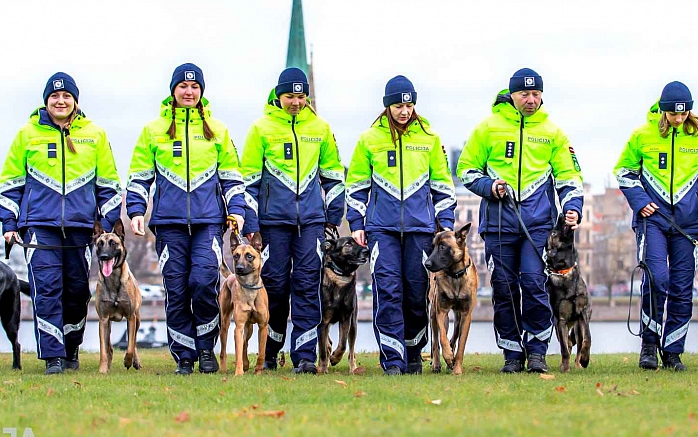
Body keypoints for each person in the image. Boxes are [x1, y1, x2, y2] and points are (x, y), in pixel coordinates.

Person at [457, 68, 583, 374]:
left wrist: (573, 208)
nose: (531, 99)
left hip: (538, 225)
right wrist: (491, 187)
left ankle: (537, 351)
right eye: (525, 94)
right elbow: (467, 170)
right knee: (503, 287)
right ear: (512, 95)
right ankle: (512, 353)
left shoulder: (553, 132)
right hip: (499, 224)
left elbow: (570, 176)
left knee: (534, 283)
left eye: (536, 94)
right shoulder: (487, 129)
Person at [0, 73, 122, 375]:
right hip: (40, 227)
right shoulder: (27, 134)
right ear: (46, 101)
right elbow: (10, 183)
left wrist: (105, 225)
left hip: (80, 230)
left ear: (75, 101)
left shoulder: (95, 134)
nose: (61, 100)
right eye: (54, 96)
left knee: (77, 293)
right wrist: (9, 223)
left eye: (67, 96)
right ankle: (53, 356)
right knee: (47, 289)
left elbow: (110, 185)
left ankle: (71, 348)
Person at [126, 63, 246, 375]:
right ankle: (184, 356)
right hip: (168, 223)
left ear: (201, 92)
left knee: (204, 282)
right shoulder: (153, 131)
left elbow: (232, 178)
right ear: (173, 91)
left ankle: (206, 349)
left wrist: (237, 212)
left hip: (208, 223)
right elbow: (139, 178)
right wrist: (136, 212)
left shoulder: (218, 130)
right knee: (176, 289)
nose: (189, 91)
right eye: (183, 87)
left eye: (194, 87)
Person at [345, 75, 456, 375]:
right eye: (398, 105)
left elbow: (443, 187)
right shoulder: (369, 139)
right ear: (387, 106)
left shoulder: (429, 139)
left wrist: (445, 226)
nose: (404, 111)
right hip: (383, 229)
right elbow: (355, 186)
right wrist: (357, 223)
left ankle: (412, 354)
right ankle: (393, 361)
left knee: (416, 294)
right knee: (389, 292)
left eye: (409, 104)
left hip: (421, 231)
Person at [240, 67, 345, 374]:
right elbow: (249, 182)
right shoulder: (261, 129)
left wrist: (332, 216)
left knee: (307, 285)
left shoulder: (321, 128)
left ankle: (305, 357)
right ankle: (269, 352)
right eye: (290, 96)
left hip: (311, 222)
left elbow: (334, 176)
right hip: (273, 223)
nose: (296, 102)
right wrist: (251, 225)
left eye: (301, 97)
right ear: (278, 95)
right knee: (274, 286)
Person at [614, 81, 698, 371]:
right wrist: (639, 200)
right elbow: (624, 173)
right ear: (663, 111)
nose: (678, 118)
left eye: (683, 113)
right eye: (674, 114)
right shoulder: (642, 135)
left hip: (688, 226)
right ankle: (649, 345)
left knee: (681, 288)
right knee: (656, 279)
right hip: (653, 221)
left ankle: (673, 351)